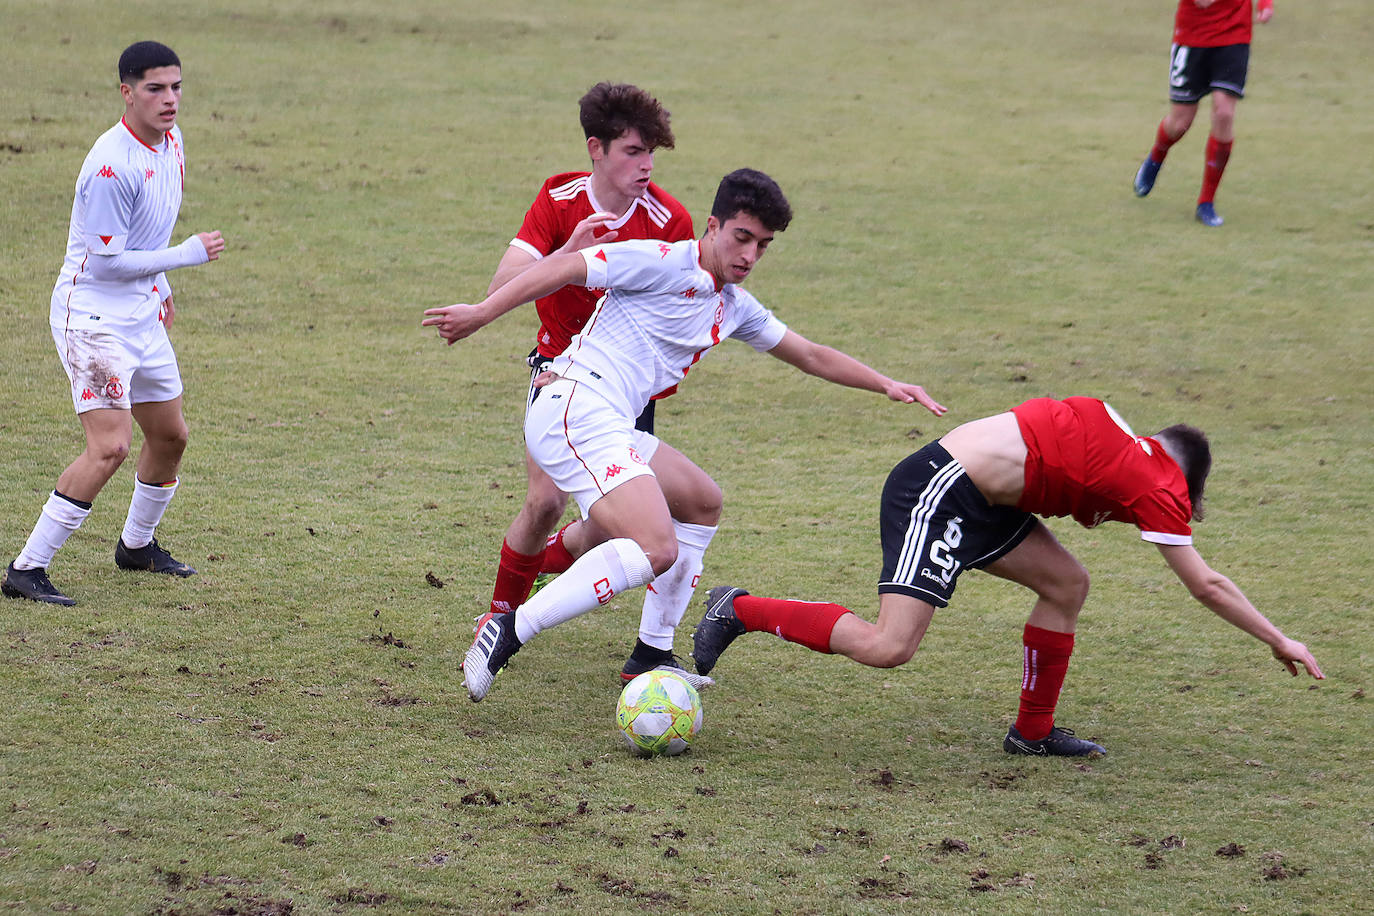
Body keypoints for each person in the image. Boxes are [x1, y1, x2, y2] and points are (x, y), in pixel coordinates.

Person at [423, 168, 946, 702]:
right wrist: (481, 312)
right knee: (655, 546)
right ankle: (510, 629)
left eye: (763, 246)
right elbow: (563, 268)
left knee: (701, 501)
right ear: (714, 226)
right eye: (742, 237)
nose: (749, 255)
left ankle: (651, 654)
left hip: (609, 421)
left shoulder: (732, 305)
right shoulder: (662, 260)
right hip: (573, 407)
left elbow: (809, 353)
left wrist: (885, 383)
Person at [692, 396, 1324, 757]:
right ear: (1185, 481)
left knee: (1067, 584)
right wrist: (1277, 638)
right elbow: (1205, 584)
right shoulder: (1158, 483)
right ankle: (737, 608)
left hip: (990, 502)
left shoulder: (1129, 443)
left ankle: (1033, 731)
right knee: (890, 646)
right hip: (941, 492)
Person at [467, 82, 713, 687]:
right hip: (559, 374)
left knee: (606, 528)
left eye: (652, 151)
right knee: (546, 503)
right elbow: (506, 279)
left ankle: (646, 648)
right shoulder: (560, 196)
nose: (647, 165)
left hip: (625, 393)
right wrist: (569, 253)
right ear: (596, 149)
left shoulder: (670, 219)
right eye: (634, 151)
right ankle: (500, 617)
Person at [2, 41, 225, 606]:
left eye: (176, 86)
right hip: (94, 320)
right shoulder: (109, 166)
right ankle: (26, 569)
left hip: (140, 311)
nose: (169, 99)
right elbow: (105, 260)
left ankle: (137, 547)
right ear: (127, 92)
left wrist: (162, 286)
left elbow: (144, 232)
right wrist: (185, 256)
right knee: (110, 446)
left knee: (171, 437)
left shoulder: (172, 140)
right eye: (155, 88)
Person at [1132, 0, 1275, 226]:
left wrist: (1265, 4)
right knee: (1180, 123)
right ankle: (1157, 155)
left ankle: (1206, 202)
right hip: (1192, 36)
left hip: (1234, 35)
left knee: (1224, 113)